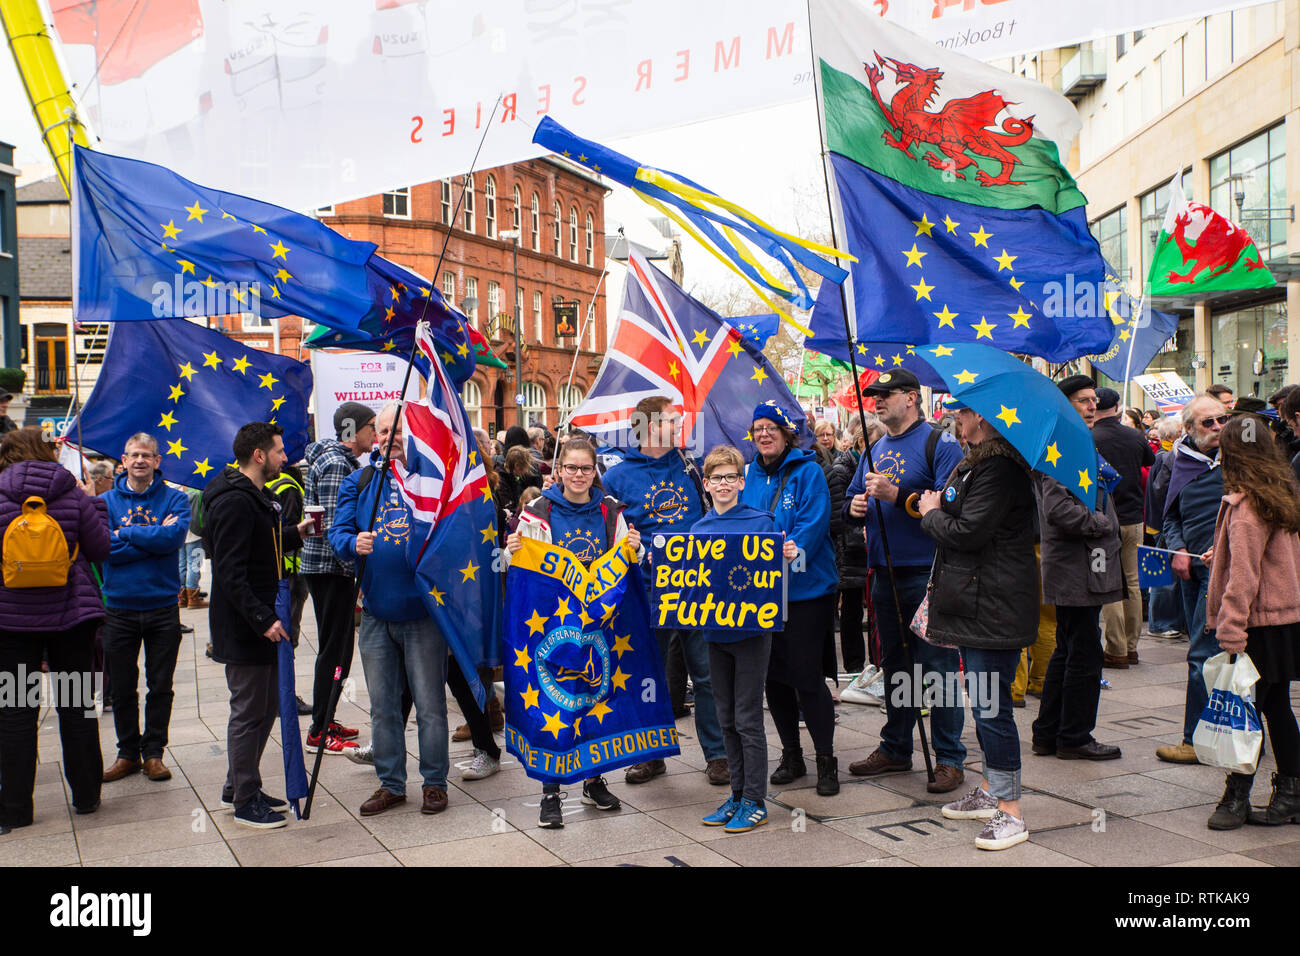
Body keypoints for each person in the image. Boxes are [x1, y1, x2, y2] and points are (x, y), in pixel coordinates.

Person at [917, 400, 1038, 850]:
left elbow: (968, 532)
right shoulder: (976, 464)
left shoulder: (1000, 469)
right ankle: (991, 791)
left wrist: (931, 513)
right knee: (984, 702)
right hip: (975, 601)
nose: (955, 421)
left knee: (992, 708)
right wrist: (933, 506)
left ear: (983, 418)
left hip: (994, 604)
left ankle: (1010, 812)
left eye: (962, 414)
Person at [506, 437, 642, 828]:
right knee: (556, 706)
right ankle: (551, 792)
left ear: (594, 471)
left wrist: (634, 547)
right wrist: (515, 547)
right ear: (558, 470)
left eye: (586, 468)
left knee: (595, 702)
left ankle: (593, 781)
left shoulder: (610, 511)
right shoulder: (539, 509)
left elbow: (624, 564)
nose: (579, 475)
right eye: (571, 468)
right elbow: (527, 570)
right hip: (551, 627)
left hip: (598, 625)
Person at [843, 370, 967, 793]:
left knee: (938, 666)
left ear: (911, 398)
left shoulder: (939, 443)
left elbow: (951, 506)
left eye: (886, 394)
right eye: (873, 395)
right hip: (884, 572)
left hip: (928, 572)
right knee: (895, 665)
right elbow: (851, 499)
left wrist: (897, 495)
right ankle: (896, 746)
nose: (876, 401)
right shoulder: (875, 446)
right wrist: (856, 505)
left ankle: (949, 757)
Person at [328, 404, 454, 817]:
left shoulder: (432, 479)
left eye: (397, 429)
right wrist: (352, 544)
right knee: (382, 706)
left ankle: (434, 784)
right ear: (374, 435)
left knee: (431, 705)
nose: (389, 436)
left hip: (422, 615)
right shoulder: (361, 480)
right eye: (383, 430)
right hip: (377, 614)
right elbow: (339, 532)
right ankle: (391, 784)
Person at [602, 396, 728, 786]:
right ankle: (648, 755)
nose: (681, 427)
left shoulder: (692, 466)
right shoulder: (617, 477)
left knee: (706, 675)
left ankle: (718, 755)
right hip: (643, 593)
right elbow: (607, 536)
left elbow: (713, 514)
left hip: (694, 590)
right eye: (673, 421)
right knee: (645, 675)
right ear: (649, 426)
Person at [204, 422, 316, 829]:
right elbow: (231, 571)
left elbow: (258, 545)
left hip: (258, 621)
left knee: (265, 706)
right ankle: (244, 800)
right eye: (279, 451)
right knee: (250, 712)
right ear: (259, 455)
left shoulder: (252, 497)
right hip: (245, 626)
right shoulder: (235, 500)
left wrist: (293, 533)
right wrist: (263, 618)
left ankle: (238, 785)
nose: (285, 458)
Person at [0, 428, 109, 833]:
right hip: (71, 620)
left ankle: (15, 809)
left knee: (15, 713)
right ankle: (85, 796)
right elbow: (100, 550)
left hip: (11, 624)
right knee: (76, 706)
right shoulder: (72, 492)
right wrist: (95, 506)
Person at [1202, 416, 1300, 829]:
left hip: (1256, 623)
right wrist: (1218, 553)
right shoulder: (1281, 492)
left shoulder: (1245, 506)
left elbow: (1245, 576)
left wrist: (1231, 629)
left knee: (1245, 709)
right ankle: (1292, 792)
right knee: (1275, 705)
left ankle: (1236, 796)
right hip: (1285, 619)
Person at [742, 400, 842, 796]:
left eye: (771, 427)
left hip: (805, 592)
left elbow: (813, 527)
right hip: (761, 595)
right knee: (774, 678)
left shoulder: (809, 472)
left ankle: (826, 759)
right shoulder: (748, 474)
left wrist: (789, 553)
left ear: (786, 433)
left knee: (806, 676)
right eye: (758, 428)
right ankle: (792, 754)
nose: (763, 434)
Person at [1031, 375, 1124, 761]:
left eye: (1093, 400)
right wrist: (1102, 524)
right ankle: (1075, 736)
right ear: (1065, 403)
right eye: (1083, 400)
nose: (1092, 406)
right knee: (1084, 653)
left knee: (1069, 648)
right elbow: (1058, 509)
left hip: (1084, 566)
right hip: (1077, 567)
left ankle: (1050, 733)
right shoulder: (1061, 443)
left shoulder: (1073, 440)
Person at [694, 445, 777, 833]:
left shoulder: (762, 522)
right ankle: (738, 792)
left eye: (731, 477)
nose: (723, 484)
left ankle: (755, 800)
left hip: (751, 634)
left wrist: (787, 553)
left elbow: (773, 574)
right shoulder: (698, 529)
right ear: (706, 485)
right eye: (716, 478)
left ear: (742, 483)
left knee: (747, 719)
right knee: (725, 718)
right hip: (714, 633)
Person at [100, 433, 191, 785]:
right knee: (122, 687)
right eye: (134, 455)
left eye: (147, 455)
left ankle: (154, 753)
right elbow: (103, 548)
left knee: (160, 685)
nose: (140, 460)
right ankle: (127, 754)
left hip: (162, 607)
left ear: (157, 461)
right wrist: (151, 536)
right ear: (123, 460)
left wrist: (125, 533)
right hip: (119, 608)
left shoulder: (174, 499)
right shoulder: (105, 501)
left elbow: (173, 540)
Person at [1155, 394, 1228, 765]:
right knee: (1207, 653)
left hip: (1225, 572)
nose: (1218, 428)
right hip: (1191, 569)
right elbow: (1170, 516)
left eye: (1222, 420)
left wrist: (1225, 546)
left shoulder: (1239, 461)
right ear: (1187, 429)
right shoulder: (1176, 461)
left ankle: (1194, 739)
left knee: (1202, 653)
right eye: (1208, 423)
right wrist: (1179, 548)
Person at [301, 402, 374, 754]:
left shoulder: (340, 462)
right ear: (352, 429)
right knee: (334, 649)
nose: (375, 434)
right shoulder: (335, 465)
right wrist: (352, 572)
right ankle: (318, 728)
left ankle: (325, 718)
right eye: (371, 427)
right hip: (331, 570)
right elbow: (335, 530)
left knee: (340, 648)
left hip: (331, 570)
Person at [1092, 387, 1155, 669]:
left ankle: (1115, 648)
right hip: (1133, 518)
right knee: (1132, 580)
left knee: (1108, 582)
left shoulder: (1090, 437)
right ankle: (1131, 646)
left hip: (1104, 517)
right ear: (1117, 407)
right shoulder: (1135, 435)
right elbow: (1148, 463)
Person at [1143, 416, 1187, 639]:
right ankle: (1160, 623)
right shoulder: (1168, 457)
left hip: (1164, 522)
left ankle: (1168, 621)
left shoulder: (1168, 455)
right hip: (1165, 523)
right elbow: (1161, 491)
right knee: (1163, 575)